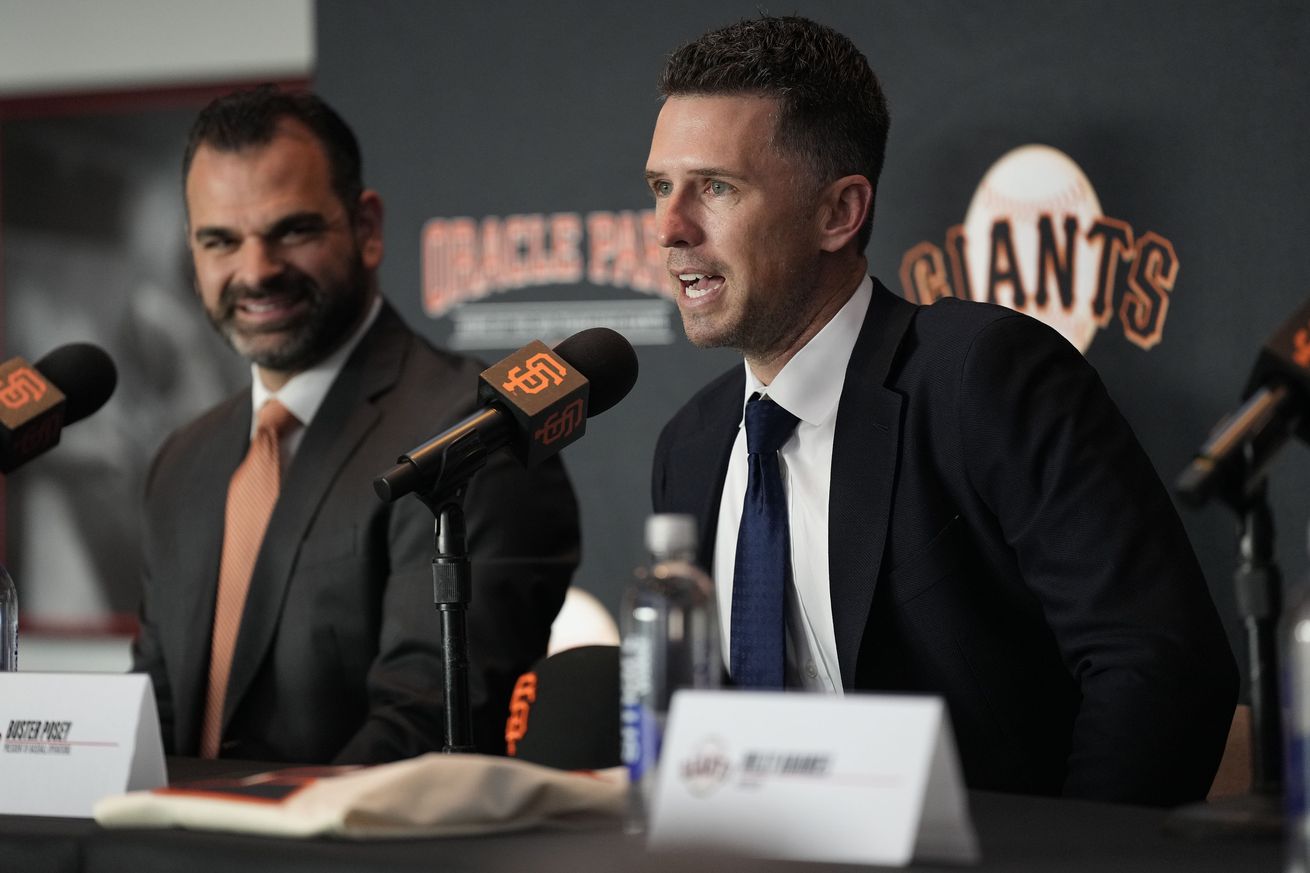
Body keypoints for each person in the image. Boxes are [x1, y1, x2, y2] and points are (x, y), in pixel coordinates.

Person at [646, 16, 1237, 806]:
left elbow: (1159, 666)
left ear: (839, 212)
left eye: (716, 187)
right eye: (661, 187)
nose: (669, 228)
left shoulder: (983, 377)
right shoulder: (689, 445)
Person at [133, 86, 579, 764]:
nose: (256, 271)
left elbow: (426, 724)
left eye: (292, 230)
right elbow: (151, 719)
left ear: (366, 228)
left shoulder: (472, 435)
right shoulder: (181, 462)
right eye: (220, 240)